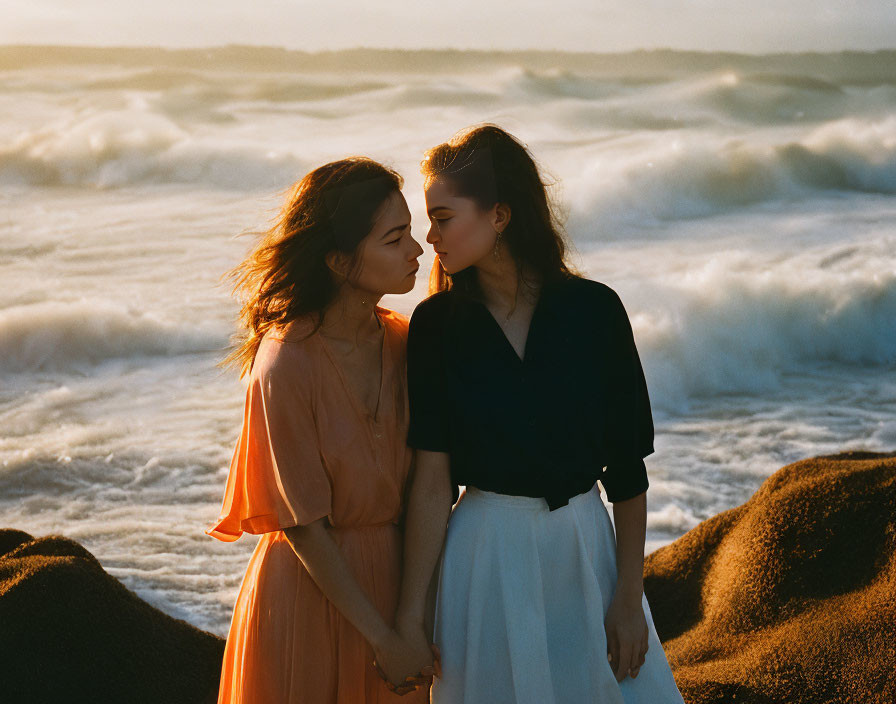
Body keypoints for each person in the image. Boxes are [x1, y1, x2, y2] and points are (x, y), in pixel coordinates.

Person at [392, 125, 687, 703]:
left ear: (499, 215)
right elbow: (431, 484)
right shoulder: (436, 326)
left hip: (584, 549)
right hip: (484, 557)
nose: (430, 237)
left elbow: (627, 472)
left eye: (444, 217)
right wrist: (411, 616)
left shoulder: (595, 311)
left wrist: (629, 600)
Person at [205, 157, 437, 703]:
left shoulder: (407, 344)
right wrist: (383, 637)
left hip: (399, 591)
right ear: (338, 260)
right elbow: (304, 525)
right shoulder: (286, 360)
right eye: (395, 238)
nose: (417, 251)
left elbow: (432, 482)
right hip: (312, 597)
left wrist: (409, 620)